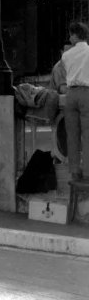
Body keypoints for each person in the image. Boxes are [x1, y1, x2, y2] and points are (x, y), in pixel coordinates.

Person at [60, 22, 89, 182]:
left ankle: (74, 172)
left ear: (76, 35)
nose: (69, 37)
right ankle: (88, 173)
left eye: (71, 34)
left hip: (71, 94)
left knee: (72, 135)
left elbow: (66, 71)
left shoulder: (66, 55)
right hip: (87, 94)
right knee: (88, 134)